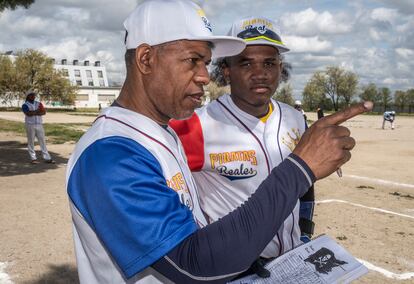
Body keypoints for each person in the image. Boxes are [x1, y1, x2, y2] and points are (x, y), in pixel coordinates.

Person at [65, 1, 373, 283]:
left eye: (206, 62)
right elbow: (193, 264)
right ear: (146, 58)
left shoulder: (160, 132)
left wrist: (303, 229)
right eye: (193, 60)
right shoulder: (110, 154)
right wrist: (301, 167)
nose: (204, 76)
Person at [170, 17, 315, 269]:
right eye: (246, 63)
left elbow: (306, 182)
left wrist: (305, 229)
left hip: (289, 262)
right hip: (231, 268)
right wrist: (216, 250)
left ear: (281, 68)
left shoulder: (294, 118)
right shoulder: (195, 126)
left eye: (269, 63)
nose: (260, 73)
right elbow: (170, 201)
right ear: (226, 70)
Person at [21, 92, 54, 164]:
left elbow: (44, 112)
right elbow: (28, 114)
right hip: (30, 125)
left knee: (42, 141)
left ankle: (47, 158)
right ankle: (33, 158)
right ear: (28, 96)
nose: (33, 96)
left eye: (34, 95)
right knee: (31, 142)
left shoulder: (38, 103)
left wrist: (34, 112)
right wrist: (37, 111)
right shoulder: (25, 105)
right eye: (31, 95)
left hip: (39, 124)